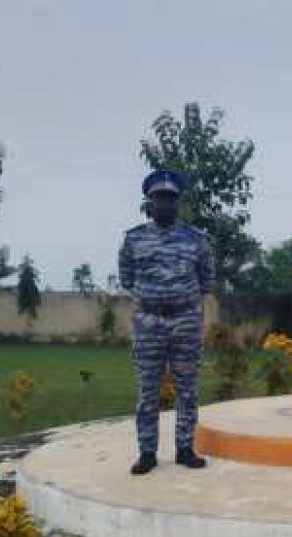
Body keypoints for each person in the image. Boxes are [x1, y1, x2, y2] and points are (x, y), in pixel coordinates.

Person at [118, 169, 215, 475]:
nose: (164, 204)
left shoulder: (196, 239)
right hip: (148, 322)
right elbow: (126, 278)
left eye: (170, 199)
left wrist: (179, 300)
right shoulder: (134, 239)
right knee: (148, 390)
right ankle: (147, 452)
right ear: (149, 203)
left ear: (178, 203)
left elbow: (207, 279)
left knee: (187, 388)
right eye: (159, 198)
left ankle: (185, 448)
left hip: (186, 319)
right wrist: (155, 298)